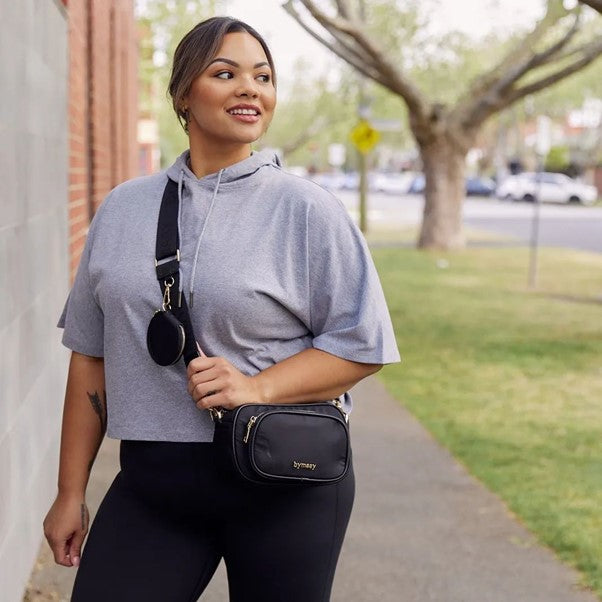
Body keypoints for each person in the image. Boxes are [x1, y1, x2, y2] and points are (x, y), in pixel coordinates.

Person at [42, 16, 400, 602]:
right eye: (225, 72)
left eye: (262, 76)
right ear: (184, 93)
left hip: (284, 480)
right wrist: (68, 491)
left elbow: (363, 344)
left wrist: (258, 388)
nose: (250, 88)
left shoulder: (307, 210)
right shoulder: (122, 209)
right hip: (153, 487)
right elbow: (90, 356)